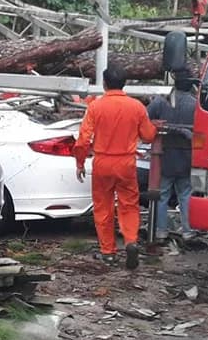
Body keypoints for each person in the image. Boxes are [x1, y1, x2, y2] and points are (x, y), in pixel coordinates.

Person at [74, 64, 160, 270]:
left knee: (103, 208)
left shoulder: (95, 106)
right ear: (125, 83)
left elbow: (84, 139)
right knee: (129, 205)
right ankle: (130, 241)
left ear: (104, 84)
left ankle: (108, 253)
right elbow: (149, 135)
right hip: (126, 163)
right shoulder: (137, 106)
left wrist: (79, 162)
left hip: (103, 162)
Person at [146, 70, 197, 243]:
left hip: (164, 155)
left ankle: (160, 231)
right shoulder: (195, 104)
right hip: (186, 155)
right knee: (186, 194)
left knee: (162, 195)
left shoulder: (160, 102)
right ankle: (188, 231)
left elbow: (146, 120)